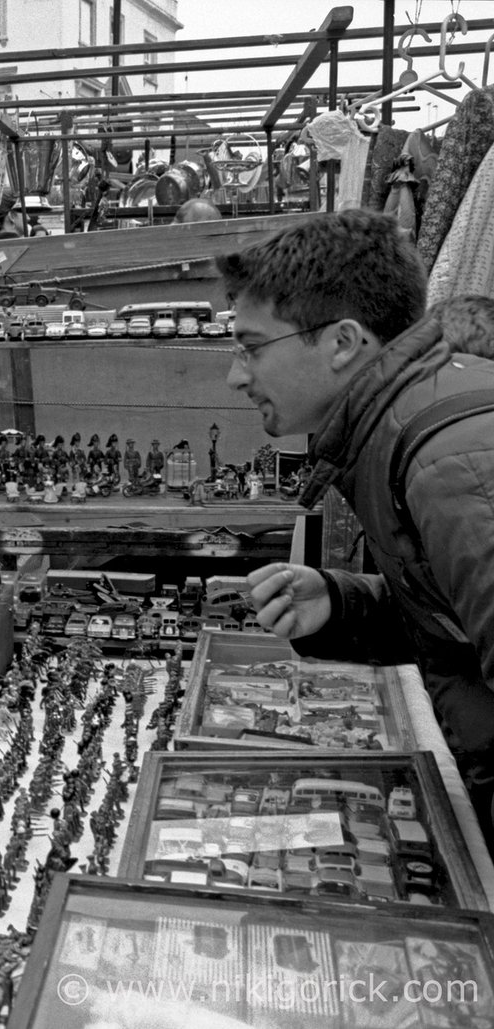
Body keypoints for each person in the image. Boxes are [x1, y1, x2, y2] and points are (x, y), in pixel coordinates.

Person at [222, 209, 494, 845]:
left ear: (343, 342)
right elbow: (458, 622)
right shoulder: (407, 427)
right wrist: (344, 605)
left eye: (252, 346)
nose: (236, 375)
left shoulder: (448, 462)